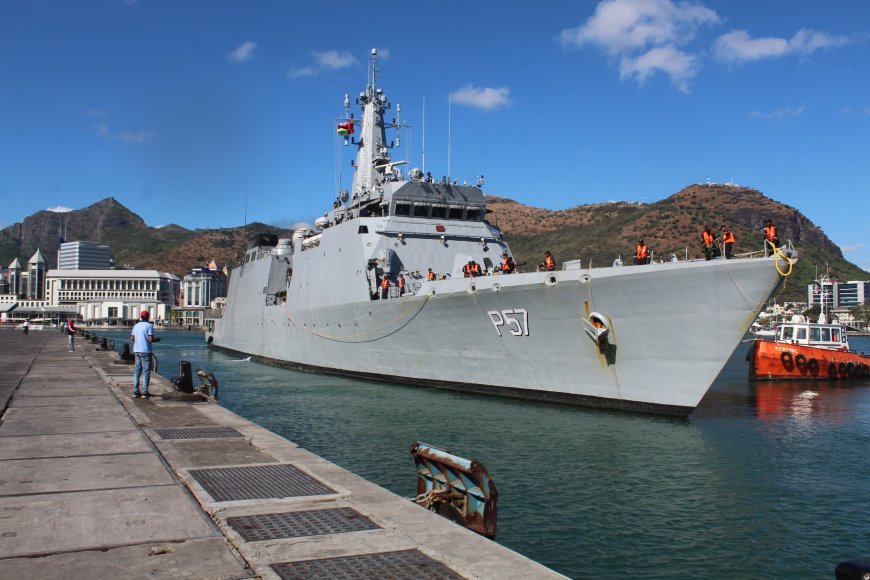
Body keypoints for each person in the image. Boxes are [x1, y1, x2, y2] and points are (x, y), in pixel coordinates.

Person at [131, 310, 155, 398]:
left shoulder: (136, 325)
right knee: (146, 371)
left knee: (137, 371)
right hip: (146, 351)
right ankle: (145, 392)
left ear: (141, 316)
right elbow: (150, 339)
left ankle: (136, 391)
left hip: (136, 350)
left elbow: (132, 338)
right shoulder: (149, 325)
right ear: (148, 317)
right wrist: (156, 340)